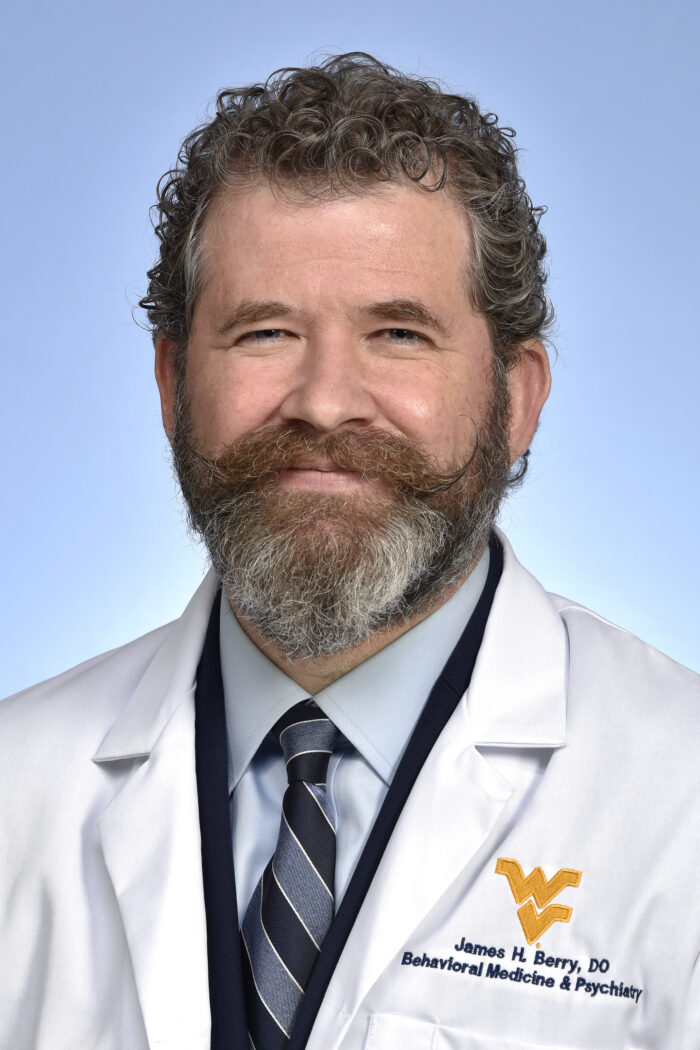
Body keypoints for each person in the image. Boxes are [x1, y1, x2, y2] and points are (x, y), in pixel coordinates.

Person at [1, 53, 698, 1050]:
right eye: (265, 332)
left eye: (400, 335)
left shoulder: (683, 800)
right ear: (171, 383)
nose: (325, 400)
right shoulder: (14, 790)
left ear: (519, 400)